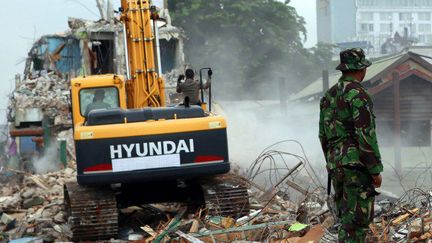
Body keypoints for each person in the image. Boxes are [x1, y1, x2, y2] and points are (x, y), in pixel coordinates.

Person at [319, 48, 383, 242]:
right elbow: (365, 135)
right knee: (357, 223)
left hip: (336, 166)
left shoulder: (328, 96)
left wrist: (331, 162)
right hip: (356, 167)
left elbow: (323, 135)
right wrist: (374, 170)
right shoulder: (359, 95)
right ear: (361, 69)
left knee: (346, 219)